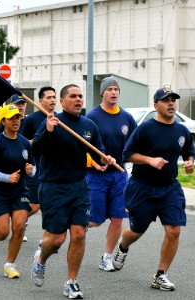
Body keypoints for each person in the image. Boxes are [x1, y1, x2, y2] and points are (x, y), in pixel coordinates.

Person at [30, 84, 115, 298]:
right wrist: (48, 131)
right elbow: (35, 150)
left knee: (78, 235)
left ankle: (71, 281)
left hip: (78, 187)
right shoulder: (51, 122)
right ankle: (41, 260)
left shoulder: (89, 125)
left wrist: (104, 158)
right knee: (57, 239)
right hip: (53, 186)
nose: (78, 100)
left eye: (80, 96)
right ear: (62, 101)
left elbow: (98, 152)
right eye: (73, 96)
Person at [112, 87, 195, 292]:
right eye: (166, 100)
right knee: (136, 231)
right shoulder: (145, 129)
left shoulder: (182, 130)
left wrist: (189, 162)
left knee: (174, 230)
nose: (171, 104)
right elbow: (127, 154)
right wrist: (149, 160)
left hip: (169, 187)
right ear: (156, 105)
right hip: (142, 187)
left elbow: (189, 152)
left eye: (173, 100)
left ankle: (160, 275)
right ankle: (123, 247)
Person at [85, 76, 137, 271]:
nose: (113, 92)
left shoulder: (127, 118)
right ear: (103, 93)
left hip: (119, 175)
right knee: (95, 220)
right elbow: (82, 148)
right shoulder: (92, 117)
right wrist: (94, 163)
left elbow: (134, 145)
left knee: (118, 218)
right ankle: (70, 227)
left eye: (116, 89)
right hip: (96, 174)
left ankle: (106, 257)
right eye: (110, 89)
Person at [0, 104, 35, 279]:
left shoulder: (24, 142)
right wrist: (7, 177)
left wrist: (30, 171)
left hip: (20, 191)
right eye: (12, 118)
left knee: (19, 227)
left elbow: (33, 168)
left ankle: (9, 265)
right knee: (4, 231)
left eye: (18, 118)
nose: (16, 121)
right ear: (3, 121)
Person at [21, 87, 56, 220]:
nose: (52, 100)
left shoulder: (58, 118)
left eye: (54, 97)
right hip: (35, 167)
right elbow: (21, 143)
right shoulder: (32, 119)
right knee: (35, 205)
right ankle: (17, 221)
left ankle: (48, 237)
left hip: (52, 168)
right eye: (49, 97)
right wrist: (41, 138)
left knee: (50, 204)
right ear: (41, 101)